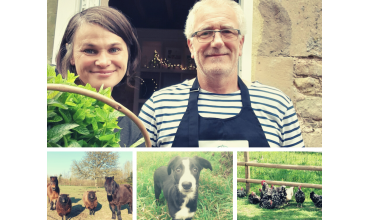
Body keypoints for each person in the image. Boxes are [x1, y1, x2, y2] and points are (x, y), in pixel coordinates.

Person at [138, 0, 305, 148]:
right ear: (191, 46)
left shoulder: (278, 105)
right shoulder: (158, 107)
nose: (217, 42)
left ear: (240, 43)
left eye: (227, 31)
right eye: (205, 33)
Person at [55, 6, 145, 147]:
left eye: (114, 50)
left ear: (128, 53)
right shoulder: (51, 107)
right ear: (71, 54)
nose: (103, 62)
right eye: (90, 50)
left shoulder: (134, 131)